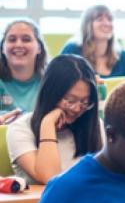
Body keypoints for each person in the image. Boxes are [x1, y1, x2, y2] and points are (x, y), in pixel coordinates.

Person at [7, 54, 103, 185]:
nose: (76, 108)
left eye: (85, 102)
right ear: (50, 93)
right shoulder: (21, 128)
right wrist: (47, 124)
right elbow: (50, 178)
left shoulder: (95, 125)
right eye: (70, 100)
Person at [61, 4, 125, 78]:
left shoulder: (123, 57)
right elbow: (56, 82)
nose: (107, 24)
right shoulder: (72, 51)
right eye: (99, 19)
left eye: (110, 19)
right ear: (87, 25)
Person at [0, 18, 47, 118]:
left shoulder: (50, 81)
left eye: (26, 39)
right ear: (2, 48)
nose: (18, 44)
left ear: (39, 48)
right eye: (12, 39)